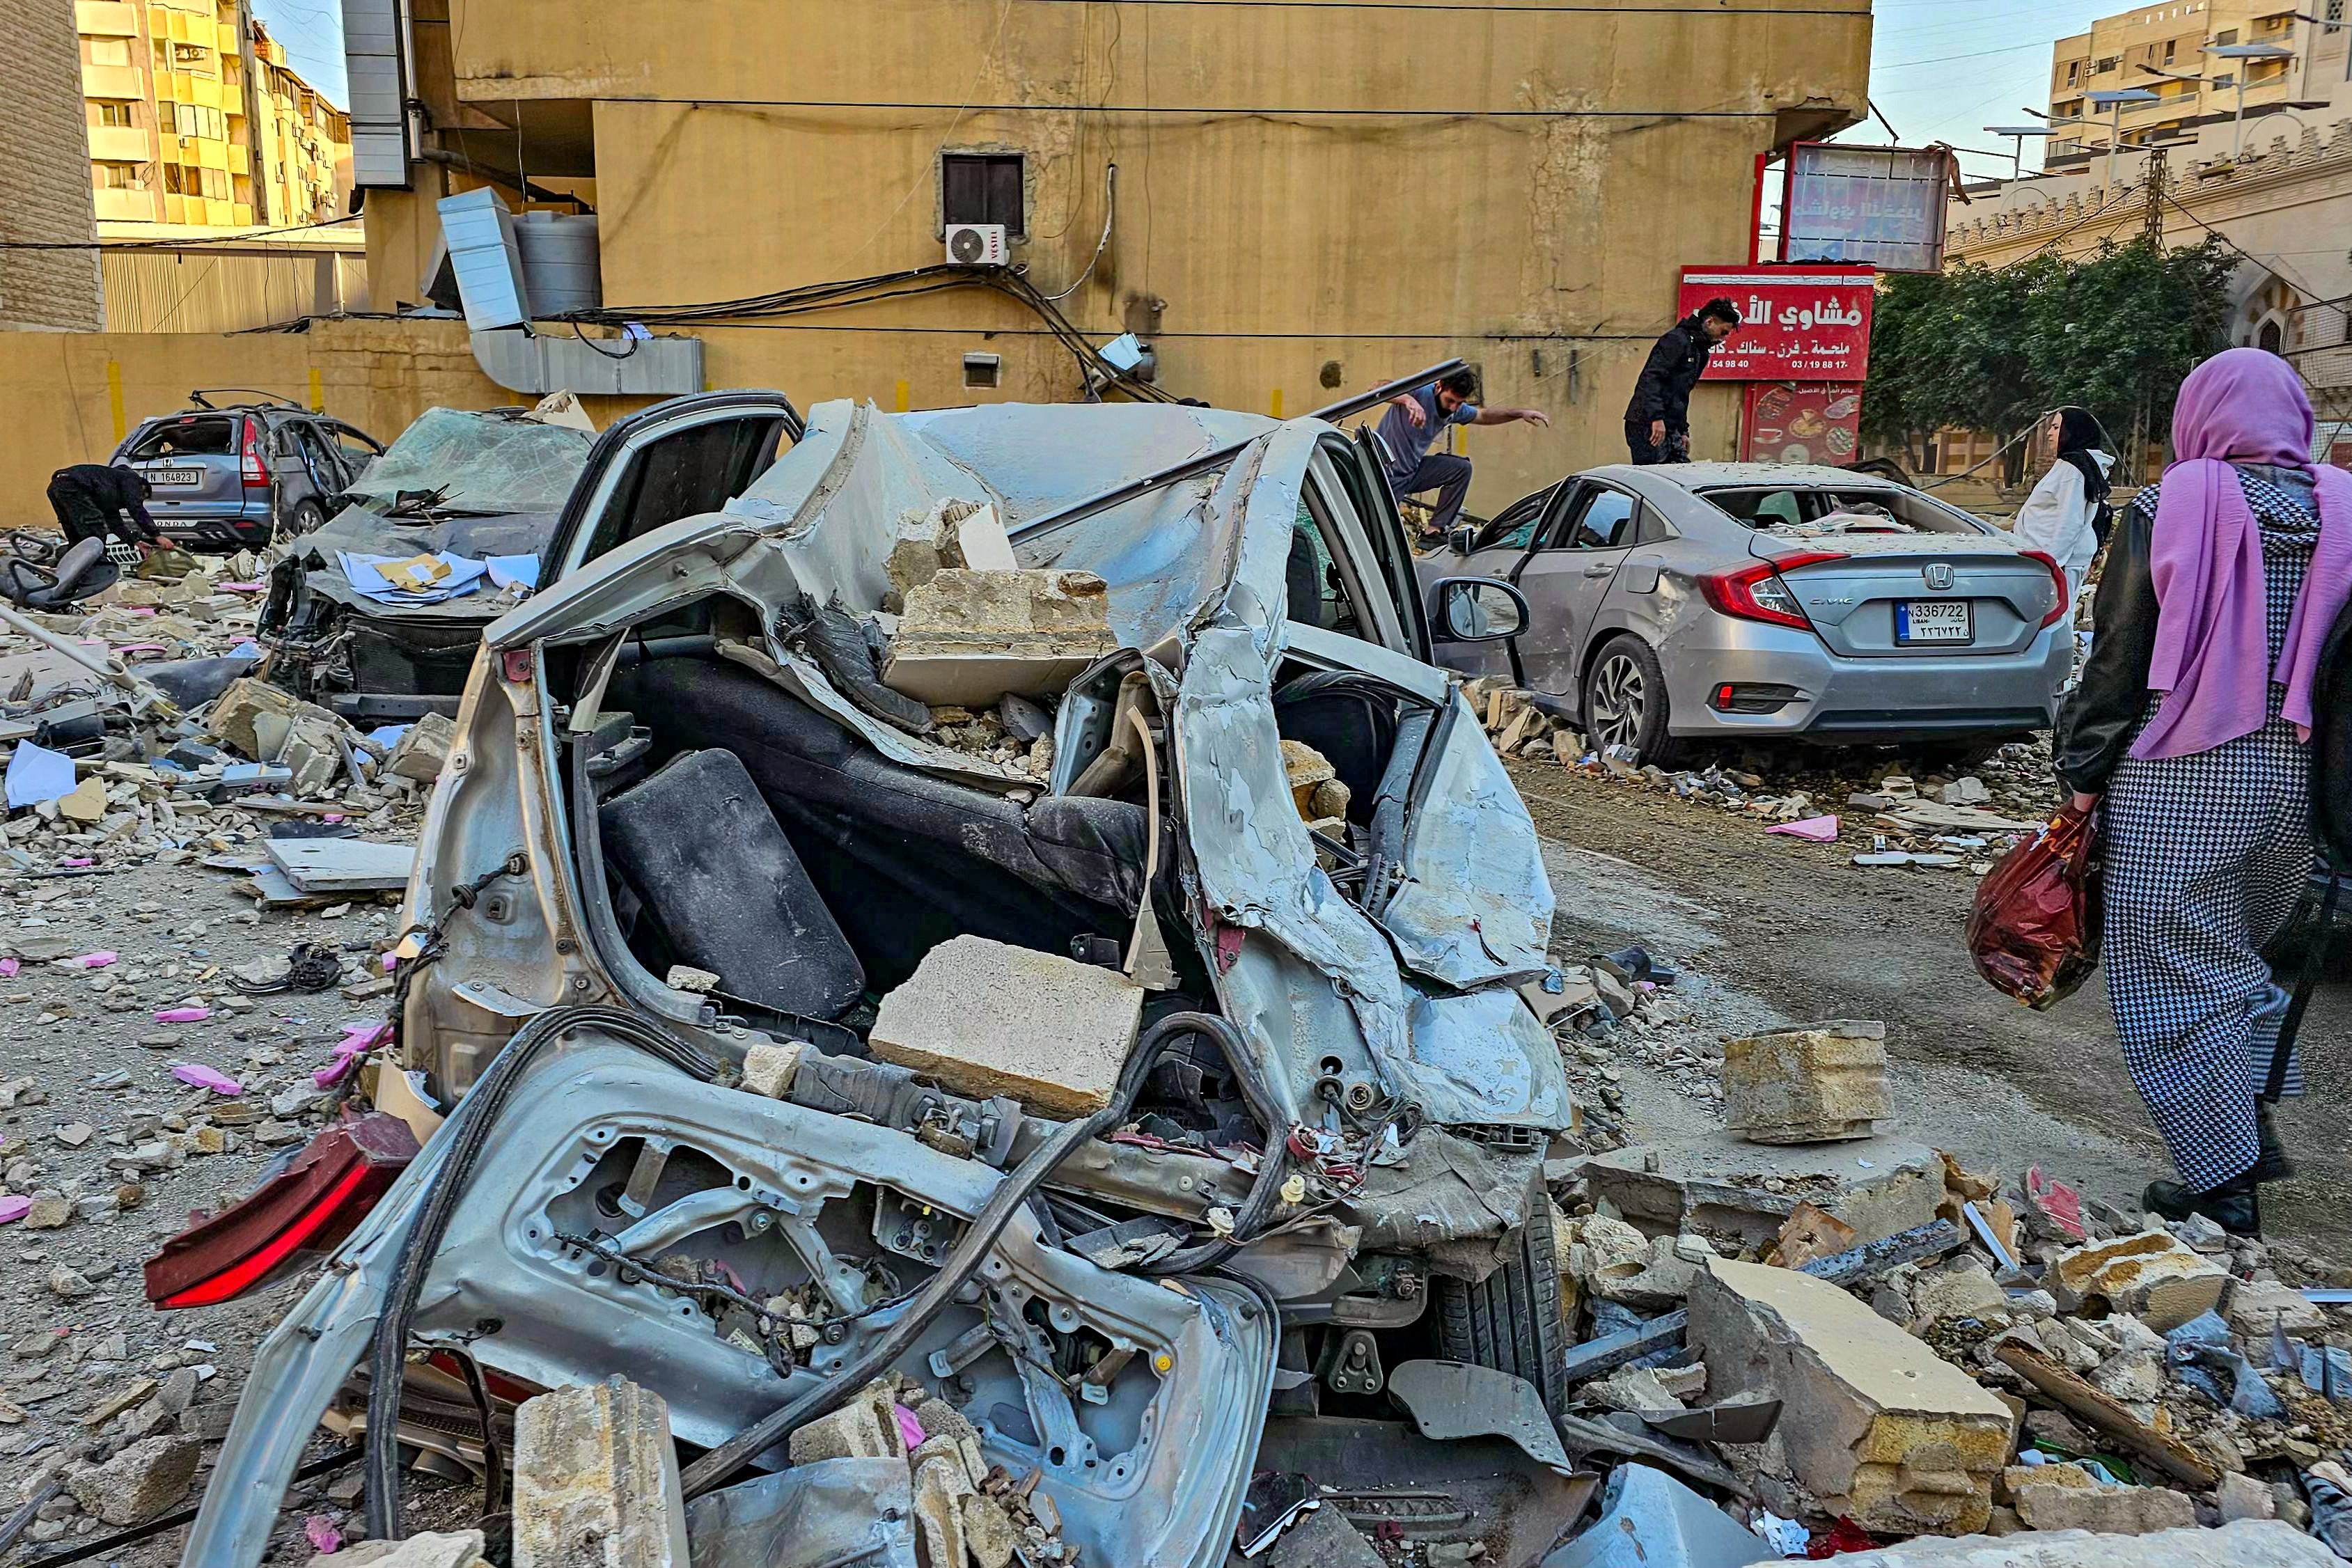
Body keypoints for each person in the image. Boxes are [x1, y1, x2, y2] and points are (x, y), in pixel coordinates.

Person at [2053, 348, 2352, 1236]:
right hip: (2301, 785)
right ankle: (2245, 1127)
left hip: (2181, 772)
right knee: (2234, 961)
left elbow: (2119, 652)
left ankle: (2225, 1186)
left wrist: (2081, 774)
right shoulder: (2345, 511)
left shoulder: (2171, 504)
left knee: (2172, 973)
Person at [1373, 368, 1549, 543]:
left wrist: (1519, 413)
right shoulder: (1420, 392)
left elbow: (1483, 415)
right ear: (1439, 387)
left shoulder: (1455, 410)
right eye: (1450, 400)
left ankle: (1433, 532)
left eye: (1458, 403)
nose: (1453, 408)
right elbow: (1377, 388)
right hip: (1383, 473)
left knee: (1461, 469)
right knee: (1380, 535)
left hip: (1411, 474)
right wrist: (1408, 401)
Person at [2008, 407, 2114, 613]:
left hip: (2061, 561)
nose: (2049, 433)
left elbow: (2070, 521)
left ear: (2072, 432)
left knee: (2057, 617)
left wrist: (2053, 564)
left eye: (2056, 427)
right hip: (2056, 558)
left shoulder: (2072, 470)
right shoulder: (2071, 465)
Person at [1625, 297, 1740, 464]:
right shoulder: (1676, 340)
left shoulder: (1701, 351)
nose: (1723, 339)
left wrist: (1683, 431)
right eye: (1723, 332)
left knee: (1681, 476)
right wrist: (1655, 419)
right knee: (1653, 480)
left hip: (1671, 427)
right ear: (1710, 322)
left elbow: (1681, 394)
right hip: (1647, 422)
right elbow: (1652, 378)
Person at [45, 464, 159, 554]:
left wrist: (135, 542)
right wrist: (157, 535)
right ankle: (96, 568)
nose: (140, 500)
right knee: (95, 532)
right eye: (142, 497)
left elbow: (115, 524)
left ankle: (71, 567)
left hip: (56, 486)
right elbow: (135, 507)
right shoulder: (132, 479)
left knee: (76, 535)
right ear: (142, 488)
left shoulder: (109, 493)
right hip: (73, 486)